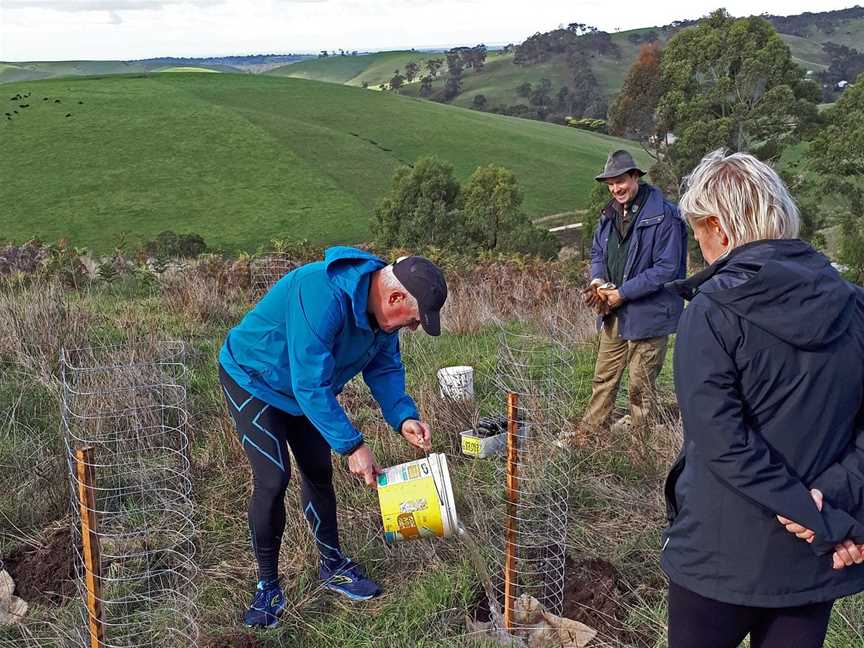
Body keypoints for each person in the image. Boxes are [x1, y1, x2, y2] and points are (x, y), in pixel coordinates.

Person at [662, 149, 864, 648]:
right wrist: (832, 505)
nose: (701, 249)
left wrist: (815, 515)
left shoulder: (711, 312)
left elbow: (722, 443)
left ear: (721, 230)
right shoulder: (855, 303)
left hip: (718, 555)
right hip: (811, 563)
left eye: (699, 233)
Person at [218, 246, 447, 628]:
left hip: (306, 389)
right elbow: (309, 384)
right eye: (411, 321)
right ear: (393, 297)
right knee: (274, 479)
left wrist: (403, 416)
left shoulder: (379, 318)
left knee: (318, 473)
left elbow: (385, 368)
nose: (409, 329)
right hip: (255, 380)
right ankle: (268, 588)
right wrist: (353, 445)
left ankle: (332, 564)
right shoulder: (320, 293)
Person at [561, 149, 687, 445]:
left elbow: (667, 269)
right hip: (613, 312)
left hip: (650, 314)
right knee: (603, 377)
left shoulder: (665, 216)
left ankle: (641, 445)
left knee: (640, 384)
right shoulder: (608, 216)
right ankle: (591, 434)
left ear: (635, 177)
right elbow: (597, 254)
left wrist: (622, 293)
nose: (616, 188)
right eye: (610, 184)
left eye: (621, 181)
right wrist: (597, 281)